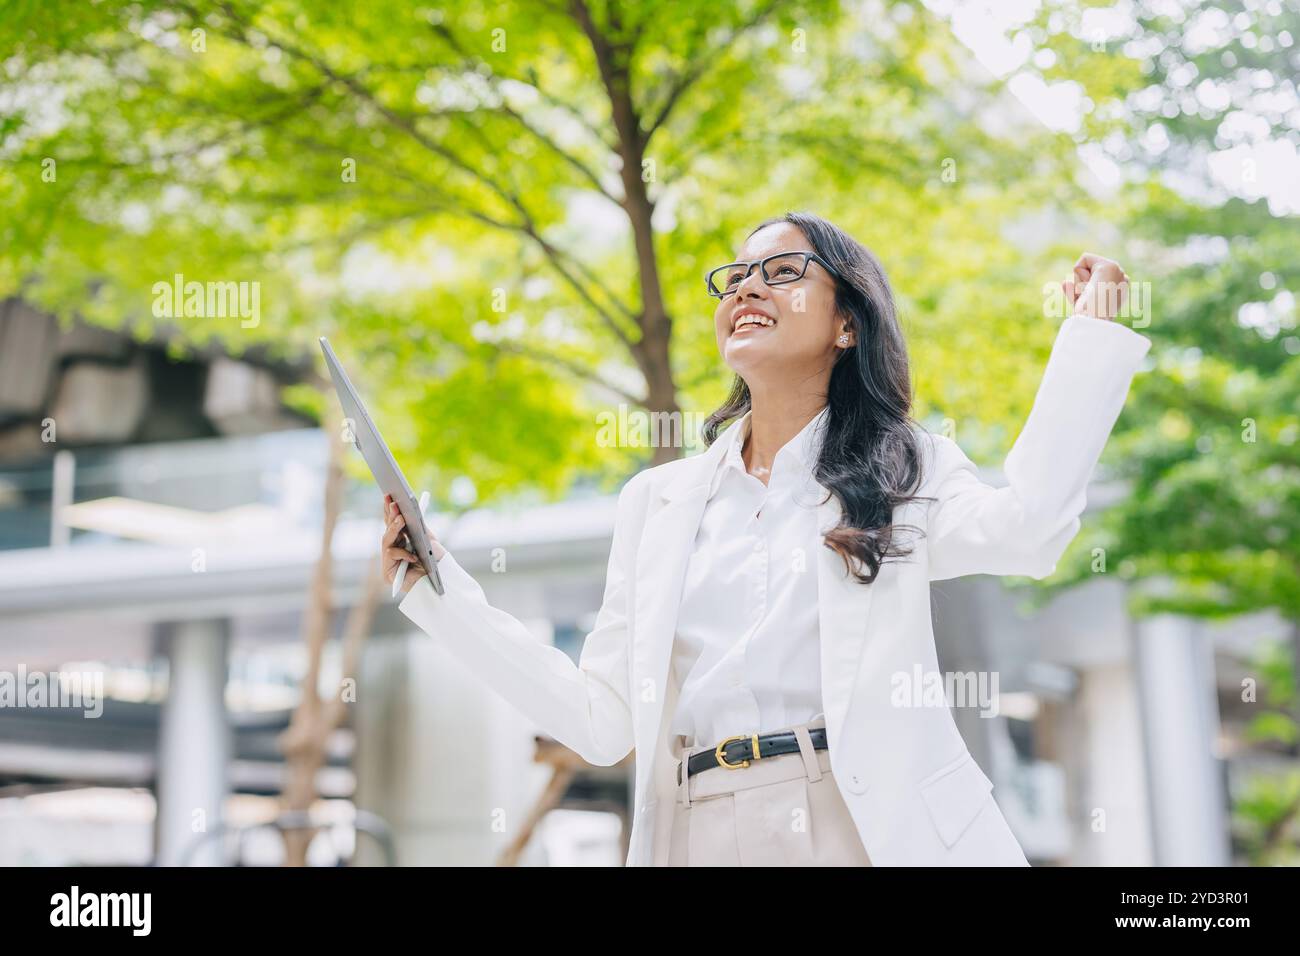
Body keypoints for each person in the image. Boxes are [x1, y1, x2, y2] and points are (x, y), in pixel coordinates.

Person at [381, 211, 1151, 866]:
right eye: (736, 277)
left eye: (783, 271)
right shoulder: (657, 502)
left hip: (855, 823)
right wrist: (441, 598)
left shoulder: (901, 470)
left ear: (848, 321)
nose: (746, 288)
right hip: (697, 825)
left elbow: (1030, 533)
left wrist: (1087, 345)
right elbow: (601, 719)